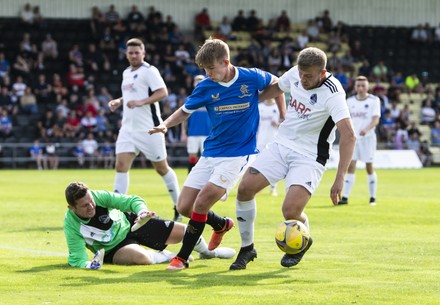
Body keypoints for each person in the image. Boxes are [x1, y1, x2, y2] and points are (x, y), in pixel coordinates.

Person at [148, 38, 286, 270]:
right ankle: (221, 224)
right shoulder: (205, 87)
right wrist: (165, 124)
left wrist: (283, 113)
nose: (208, 74)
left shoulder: (251, 77)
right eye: (205, 70)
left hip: (238, 154)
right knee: (184, 207)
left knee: (201, 202)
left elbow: (279, 85)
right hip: (211, 152)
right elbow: (184, 112)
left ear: (226, 62)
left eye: (211, 68)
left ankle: (181, 258)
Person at [229, 47, 356, 270]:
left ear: (322, 72)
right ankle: (247, 248)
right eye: (301, 74)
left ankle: (303, 237)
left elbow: (349, 135)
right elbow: (275, 89)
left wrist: (340, 178)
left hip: (309, 156)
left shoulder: (333, 92)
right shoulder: (296, 74)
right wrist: (248, 103)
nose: (303, 79)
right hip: (281, 145)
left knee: (290, 211)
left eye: (309, 76)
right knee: (245, 189)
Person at [63, 182, 235, 269]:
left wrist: (142, 212)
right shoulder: (71, 224)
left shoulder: (97, 196)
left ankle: (208, 253)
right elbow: (77, 259)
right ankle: (168, 256)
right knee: (141, 258)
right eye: (85, 206)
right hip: (114, 248)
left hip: (131, 223)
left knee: (185, 231)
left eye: (91, 202)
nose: (91, 206)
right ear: (72, 208)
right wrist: (89, 265)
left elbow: (131, 201)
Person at [107, 38, 182, 222]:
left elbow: (162, 92)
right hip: (128, 128)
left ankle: (179, 206)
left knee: (162, 168)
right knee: (121, 166)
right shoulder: (126, 72)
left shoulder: (149, 71)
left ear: (143, 53)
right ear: (126, 54)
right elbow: (130, 95)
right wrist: (120, 101)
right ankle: (117, 212)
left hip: (149, 128)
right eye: (130, 53)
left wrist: (141, 102)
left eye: (136, 52)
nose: (133, 55)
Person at [338, 76, 381, 206]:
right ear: (355, 87)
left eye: (363, 85)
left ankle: (372, 198)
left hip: (368, 138)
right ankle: (345, 197)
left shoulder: (374, 100)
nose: (361, 88)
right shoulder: (350, 101)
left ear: (367, 86)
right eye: (358, 85)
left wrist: (366, 129)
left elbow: (375, 119)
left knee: (369, 166)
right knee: (351, 165)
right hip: (353, 139)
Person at [180, 75, 211, 173]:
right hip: (193, 132)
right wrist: (183, 133)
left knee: (206, 157)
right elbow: (183, 118)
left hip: (207, 132)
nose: (198, 83)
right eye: (196, 81)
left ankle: (205, 179)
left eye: (200, 81)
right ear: (193, 83)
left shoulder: (210, 98)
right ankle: (190, 178)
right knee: (192, 156)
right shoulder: (189, 99)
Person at [257, 98, 280, 196]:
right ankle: (257, 187)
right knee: (257, 166)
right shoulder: (259, 107)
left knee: (273, 165)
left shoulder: (278, 107)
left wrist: (278, 124)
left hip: (273, 141)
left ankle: (273, 188)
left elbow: (285, 124)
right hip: (260, 141)